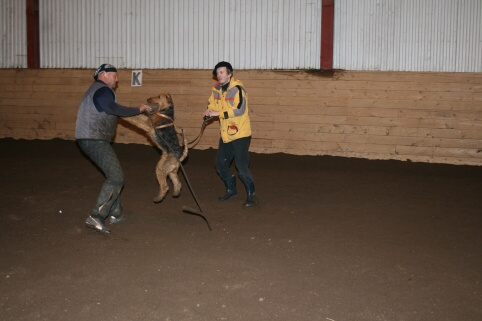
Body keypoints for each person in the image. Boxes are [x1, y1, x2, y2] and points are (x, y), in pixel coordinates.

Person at [75, 63, 152, 233]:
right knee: (116, 177)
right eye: (114, 75)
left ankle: (116, 213)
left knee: (113, 174)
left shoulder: (97, 90)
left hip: (90, 138)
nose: (117, 79)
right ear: (103, 74)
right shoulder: (102, 90)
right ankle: (96, 216)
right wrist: (137, 109)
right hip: (94, 139)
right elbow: (112, 108)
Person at [203, 61, 256, 207]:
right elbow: (213, 104)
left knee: (241, 165)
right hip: (226, 133)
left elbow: (239, 110)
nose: (218, 75)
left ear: (229, 74)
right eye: (217, 73)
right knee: (220, 164)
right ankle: (231, 189)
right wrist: (209, 110)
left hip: (241, 133)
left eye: (222, 72)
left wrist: (217, 113)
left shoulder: (238, 89)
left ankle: (251, 194)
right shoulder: (216, 89)